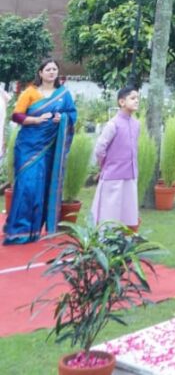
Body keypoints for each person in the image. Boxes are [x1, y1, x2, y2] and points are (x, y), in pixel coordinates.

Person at [3, 58, 78, 245]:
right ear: (40, 72)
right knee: (27, 185)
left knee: (44, 186)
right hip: (28, 145)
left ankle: (36, 230)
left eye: (55, 69)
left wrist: (62, 118)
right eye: (48, 69)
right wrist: (36, 120)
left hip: (50, 147)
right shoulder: (30, 92)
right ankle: (19, 230)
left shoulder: (63, 95)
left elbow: (72, 114)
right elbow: (16, 115)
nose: (52, 72)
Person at [90, 86, 140, 228]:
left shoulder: (136, 124)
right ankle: (105, 241)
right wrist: (105, 164)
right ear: (121, 102)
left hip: (130, 175)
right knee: (109, 212)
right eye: (132, 98)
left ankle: (124, 241)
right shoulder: (113, 124)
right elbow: (100, 148)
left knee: (128, 212)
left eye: (137, 98)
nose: (136, 101)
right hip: (113, 175)